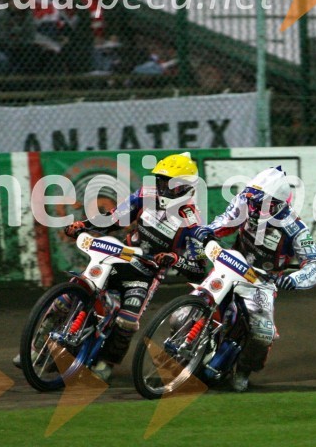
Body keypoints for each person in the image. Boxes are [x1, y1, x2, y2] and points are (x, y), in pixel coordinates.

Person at [13, 152, 209, 382]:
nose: (163, 187)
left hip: (146, 275)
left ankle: (107, 363)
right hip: (120, 257)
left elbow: (198, 269)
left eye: (170, 183)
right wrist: (82, 225)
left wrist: (174, 260)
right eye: (161, 180)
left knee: (127, 320)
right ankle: (36, 348)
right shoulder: (146, 195)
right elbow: (115, 218)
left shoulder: (193, 221)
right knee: (70, 294)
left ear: (186, 188)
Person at [189, 166, 316, 392]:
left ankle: (243, 370)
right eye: (254, 199)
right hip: (231, 264)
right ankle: (193, 340)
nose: (254, 206)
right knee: (188, 310)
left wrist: (294, 279)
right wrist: (209, 230)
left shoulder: (295, 228)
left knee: (262, 333)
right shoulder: (245, 200)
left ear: (278, 203)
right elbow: (226, 220)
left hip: (261, 282)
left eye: (262, 202)